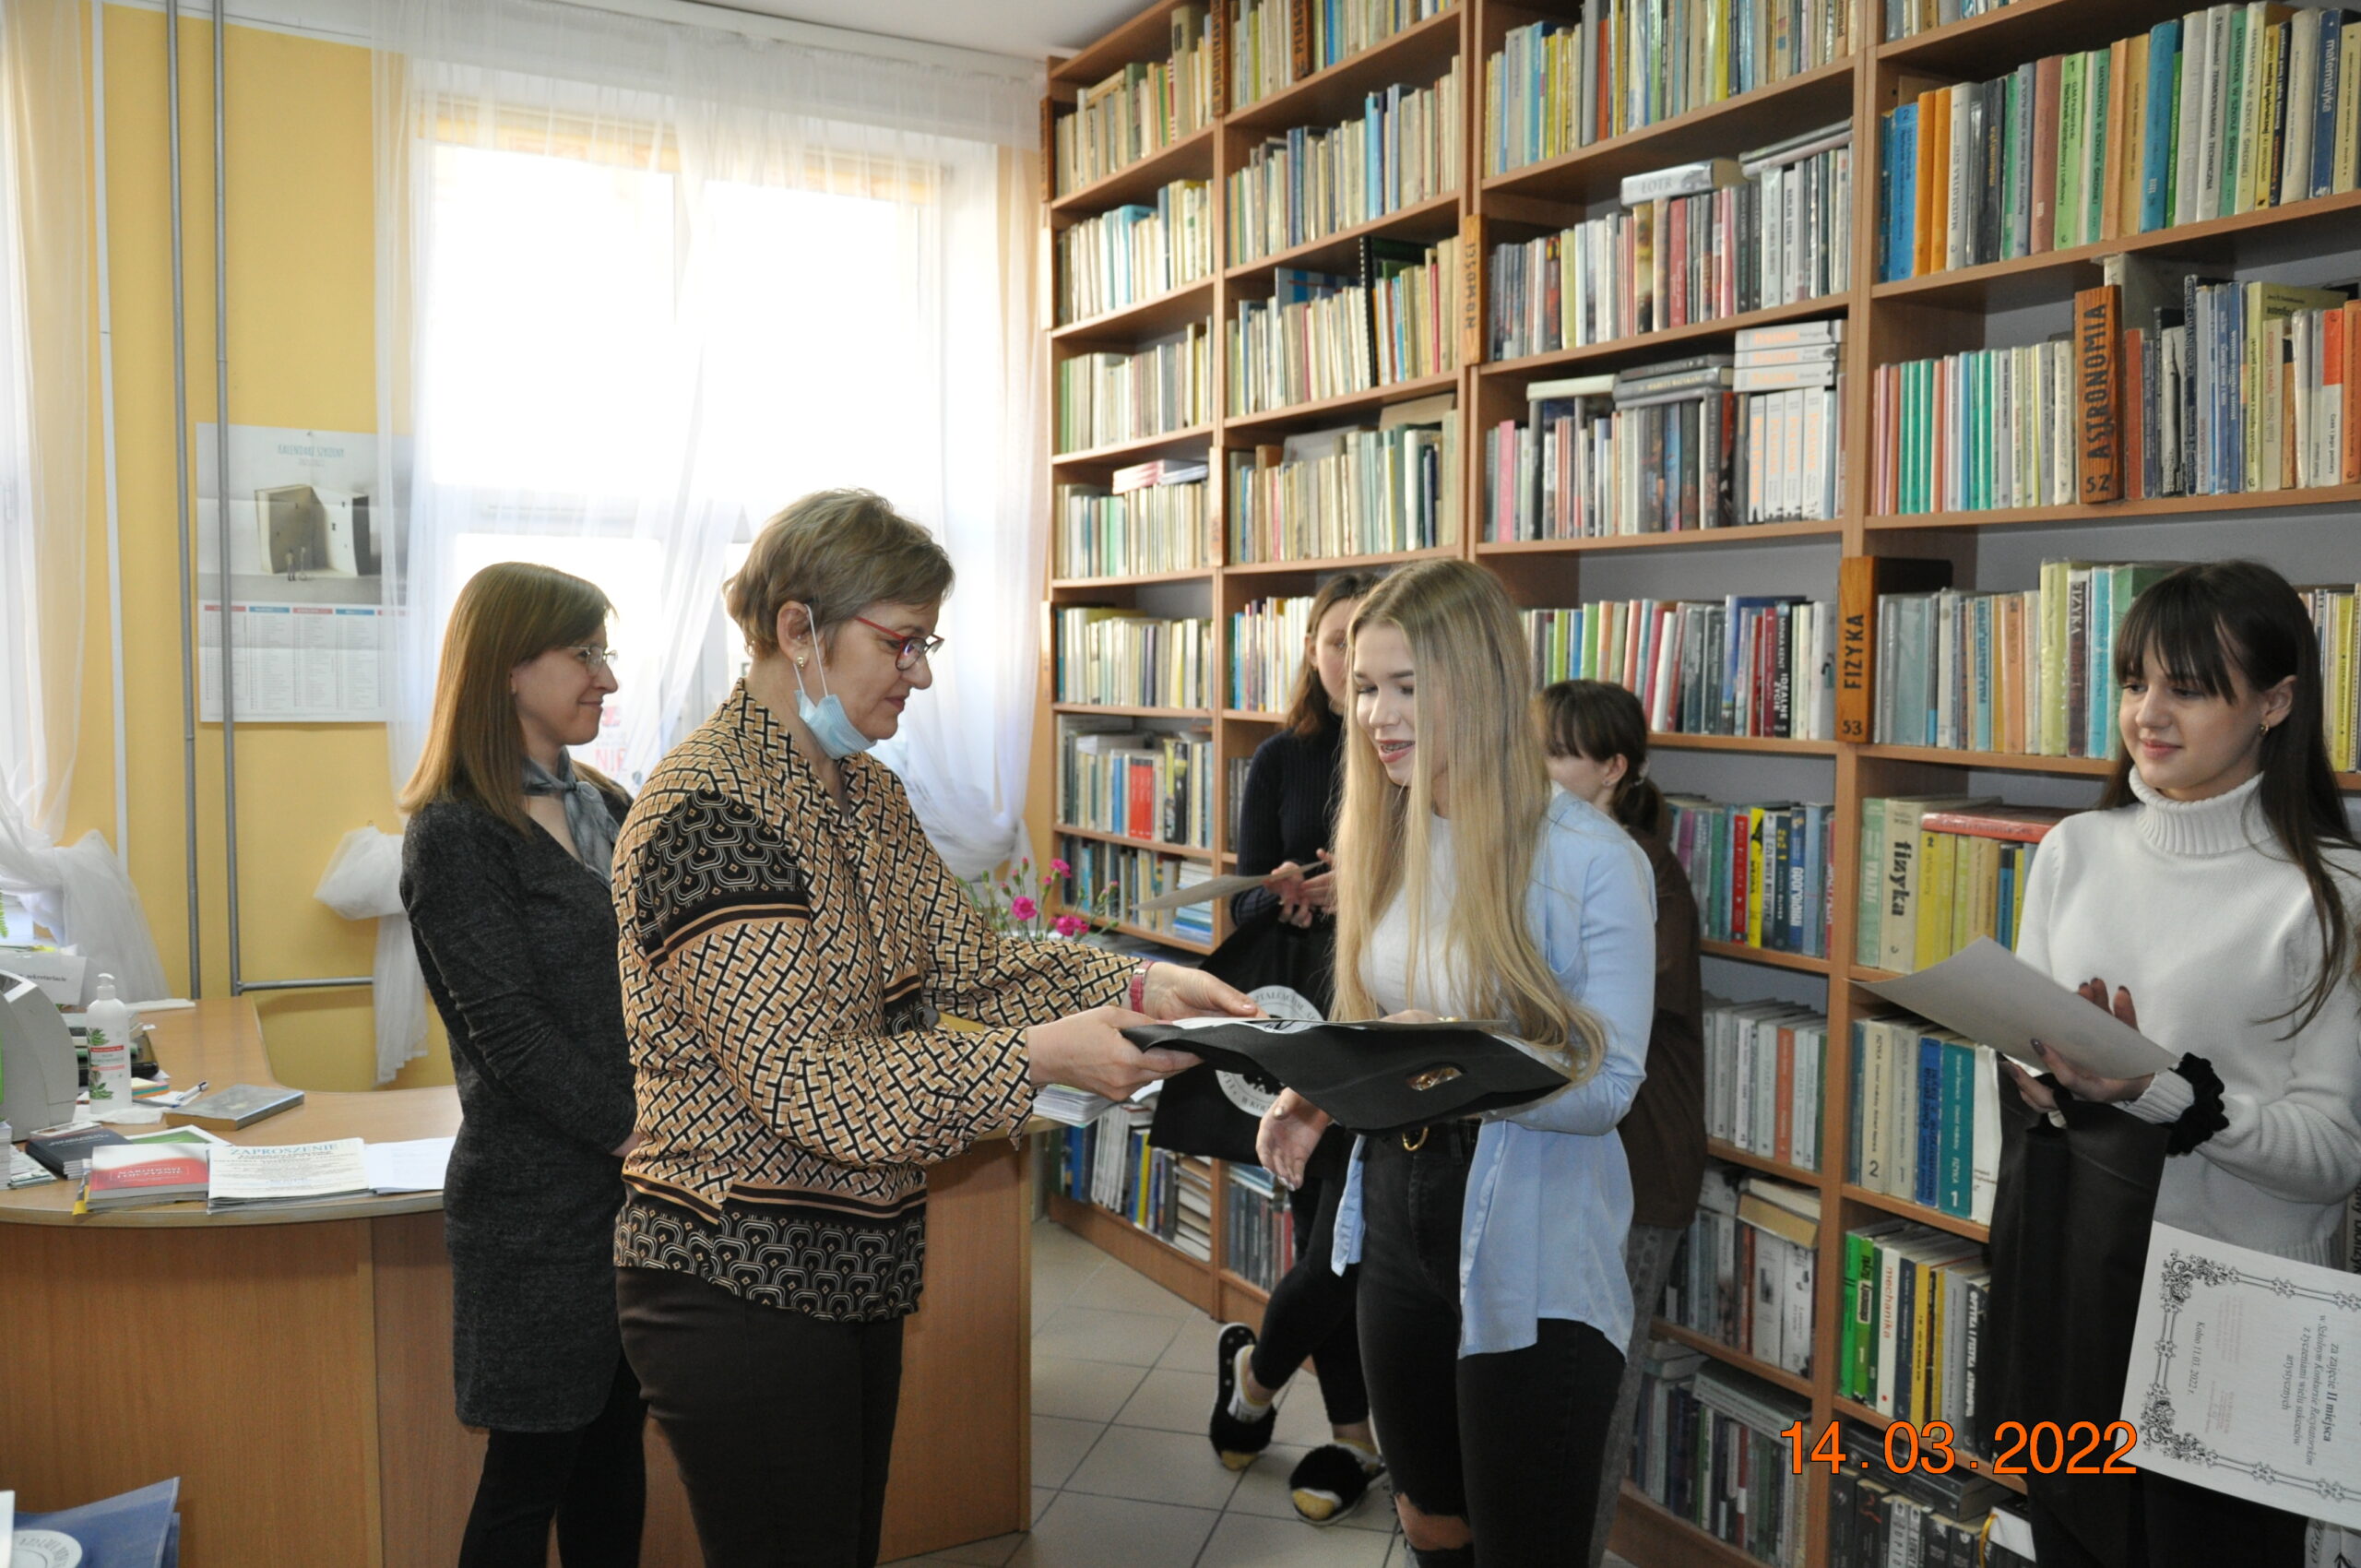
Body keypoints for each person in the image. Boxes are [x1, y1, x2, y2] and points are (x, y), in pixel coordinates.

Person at [607, 489, 1252, 1568]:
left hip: (849, 1261)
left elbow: (975, 962)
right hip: (734, 1278)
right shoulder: (707, 816)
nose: (920, 673)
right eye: (899, 642)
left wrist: (1145, 984)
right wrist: (1038, 1058)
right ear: (798, 628)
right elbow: (810, 1084)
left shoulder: (865, 792)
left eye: (926, 643)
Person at [1256, 560, 1657, 1567]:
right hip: (1397, 1218)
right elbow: (1381, 1018)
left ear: (1476, 682)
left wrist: (1455, 1057)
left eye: (1406, 686)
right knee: (1429, 1522)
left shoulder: (1591, 859)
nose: (1377, 716)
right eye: (1364, 687)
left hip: (1533, 1239)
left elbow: (1609, 1088)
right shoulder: (1386, 831)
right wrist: (1317, 1091)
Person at [1996, 560, 2361, 1568]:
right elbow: (2035, 1048)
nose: (2147, 715)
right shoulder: (2074, 849)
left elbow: (2333, 1155)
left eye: (2188, 688)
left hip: (2236, 1332)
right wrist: (2039, 1075)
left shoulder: (2331, 889)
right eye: (2133, 682)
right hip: (2078, 1294)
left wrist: (2154, 1089)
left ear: (2275, 703)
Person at [398, 563, 647, 1568]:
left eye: (605, 653)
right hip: (536, 1212)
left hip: (634, 1198)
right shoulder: (456, 832)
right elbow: (512, 1036)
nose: (606, 678)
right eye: (584, 653)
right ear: (507, 666)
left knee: (614, 1457)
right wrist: (639, 1129)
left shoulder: (610, 805)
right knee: (527, 1476)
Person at [1210, 569, 1386, 1522]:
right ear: (1313, 653)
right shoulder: (1281, 756)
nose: (1348, 659)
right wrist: (1276, 889)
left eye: (1364, 639)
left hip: (1384, 1028)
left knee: (1341, 1250)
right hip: (1299, 1022)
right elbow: (1240, 902)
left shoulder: (1406, 754)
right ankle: (1354, 1438)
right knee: (1325, 1234)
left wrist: (1358, 889)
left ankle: (1254, 1382)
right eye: (1334, 640)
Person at [1537, 680, 1705, 1568]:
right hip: (1559, 1152)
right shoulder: (1540, 852)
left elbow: (1594, 1014)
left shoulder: (1638, 867)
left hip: (1637, 1165)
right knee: (1538, 1386)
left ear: (1613, 769)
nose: (1536, 768)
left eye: (1557, 752)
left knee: (1596, 1391)